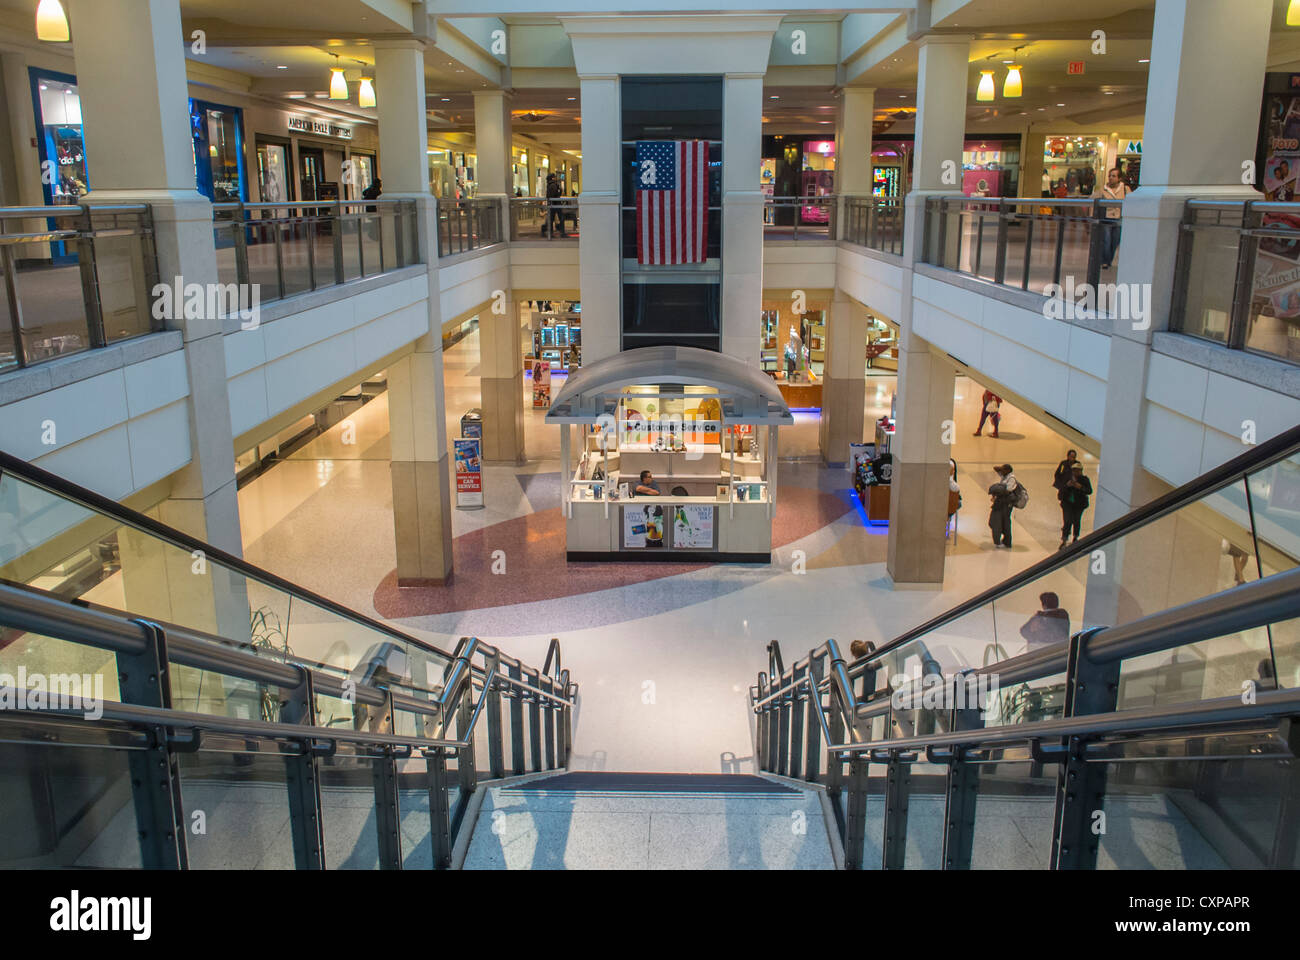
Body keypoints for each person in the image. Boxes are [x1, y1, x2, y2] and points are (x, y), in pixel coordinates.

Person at [1099, 167, 1131, 270]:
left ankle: (1108, 260)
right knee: (1106, 240)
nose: (1111, 178)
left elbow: (1132, 203)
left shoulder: (1125, 189)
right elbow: (1092, 199)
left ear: (1119, 178)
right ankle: (1105, 261)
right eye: (1109, 176)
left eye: (1113, 176)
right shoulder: (1103, 189)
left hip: (1119, 218)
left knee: (1115, 241)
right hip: (1106, 217)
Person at [1057, 463, 1092, 548]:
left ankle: (1075, 537)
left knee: (1076, 520)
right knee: (1067, 521)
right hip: (1067, 504)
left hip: (1079, 505)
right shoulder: (1067, 479)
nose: (1077, 472)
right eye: (1075, 470)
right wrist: (1067, 486)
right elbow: (1061, 491)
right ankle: (1064, 539)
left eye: (1079, 470)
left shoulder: (1084, 480)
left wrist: (1080, 487)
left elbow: (1089, 491)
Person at [987, 464, 1017, 548]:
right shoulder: (1005, 475)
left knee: (1005, 523)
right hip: (1000, 503)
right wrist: (1001, 468)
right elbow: (995, 468)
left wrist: (999, 489)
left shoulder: (1011, 478)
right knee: (996, 521)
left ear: (1008, 470)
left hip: (1006, 505)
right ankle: (1001, 540)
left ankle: (1007, 541)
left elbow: (1008, 490)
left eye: (1003, 470)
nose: (1001, 472)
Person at [544, 173, 567, 238]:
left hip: (552, 204)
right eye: (555, 177)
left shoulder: (549, 185)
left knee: (551, 219)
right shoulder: (554, 185)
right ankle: (562, 233)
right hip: (556, 204)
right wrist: (560, 191)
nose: (556, 178)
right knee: (561, 218)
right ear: (553, 178)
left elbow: (549, 195)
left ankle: (550, 233)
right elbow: (555, 195)